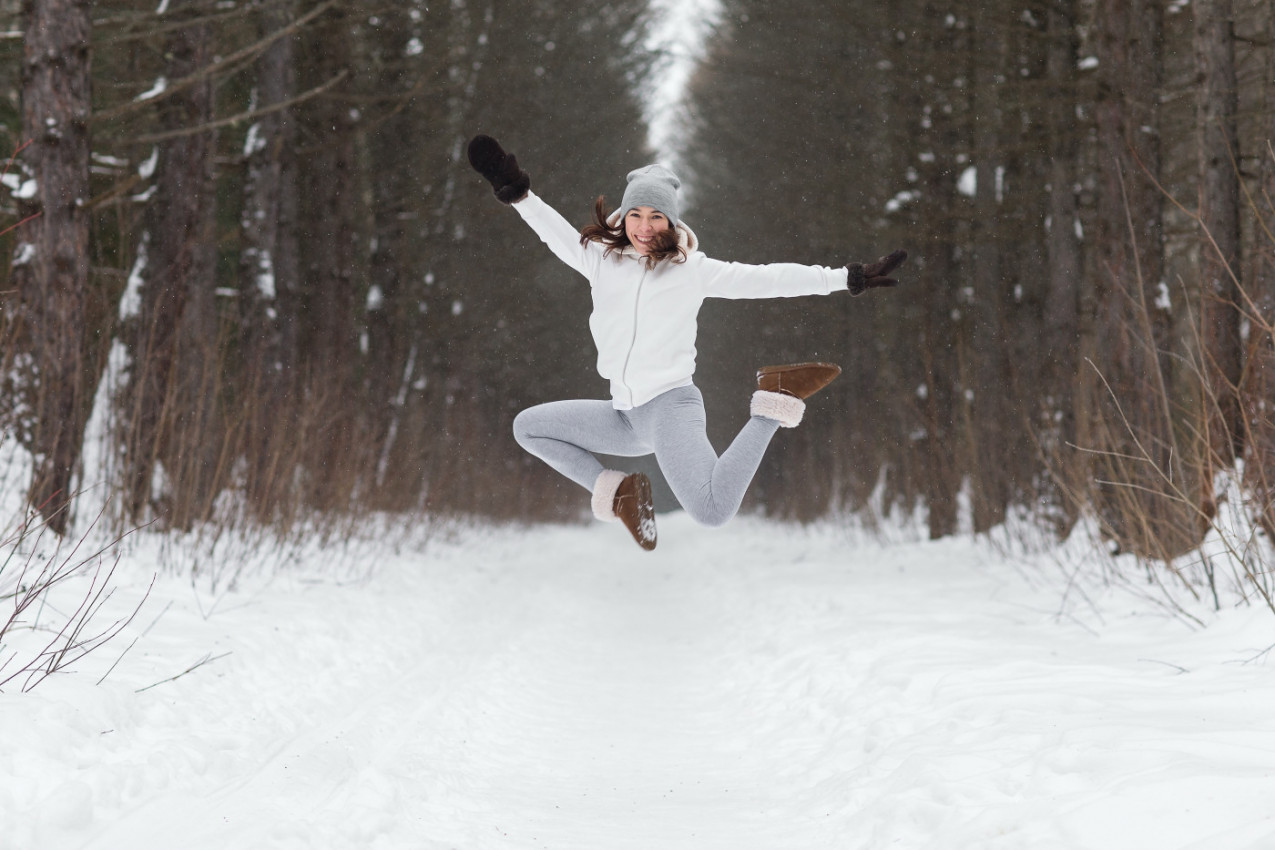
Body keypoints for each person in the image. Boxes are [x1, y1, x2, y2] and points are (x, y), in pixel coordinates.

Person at [467, 134, 906, 551]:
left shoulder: (691, 271)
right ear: (623, 217)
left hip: (670, 408)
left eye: (656, 217)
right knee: (529, 427)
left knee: (712, 510)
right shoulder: (600, 261)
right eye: (636, 215)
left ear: (672, 222)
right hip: (624, 416)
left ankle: (775, 400)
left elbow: (767, 278)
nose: (644, 227)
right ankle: (620, 493)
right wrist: (519, 195)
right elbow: (554, 232)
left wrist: (843, 278)